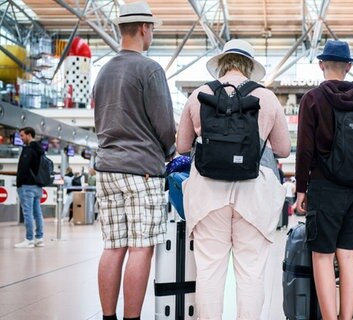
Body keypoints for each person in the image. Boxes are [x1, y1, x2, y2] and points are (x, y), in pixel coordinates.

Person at [176, 39, 291, 319]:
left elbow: (181, 147)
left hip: (207, 194)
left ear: (221, 65)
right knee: (251, 273)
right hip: (253, 195)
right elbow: (283, 149)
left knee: (209, 273)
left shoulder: (199, 95)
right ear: (250, 67)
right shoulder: (266, 97)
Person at [91, 2, 176, 320]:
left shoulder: (104, 70)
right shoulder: (149, 69)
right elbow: (165, 125)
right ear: (144, 28)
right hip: (141, 170)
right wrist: (169, 153)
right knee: (141, 247)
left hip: (107, 167)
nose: (152, 33)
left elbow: (99, 119)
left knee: (113, 246)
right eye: (152, 28)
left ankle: (108, 317)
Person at [294, 40, 353, 320]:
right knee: (348, 255)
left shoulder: (313, 99)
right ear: (348, 66)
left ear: (321, 65)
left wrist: (301, 189)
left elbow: (305, 148)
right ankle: (346, 317)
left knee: (322, 256)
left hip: (324, 186)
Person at [14, 127, 45, 248]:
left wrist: (19, 183)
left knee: (27, 213)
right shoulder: (40, 150)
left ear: (29, 135)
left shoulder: (28, 149)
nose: (21, 138)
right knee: (37, 213)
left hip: (27, 186)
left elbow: (23, 168)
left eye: (22, 136)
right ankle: (39, 238)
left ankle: (29, 239)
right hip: (37, 186)